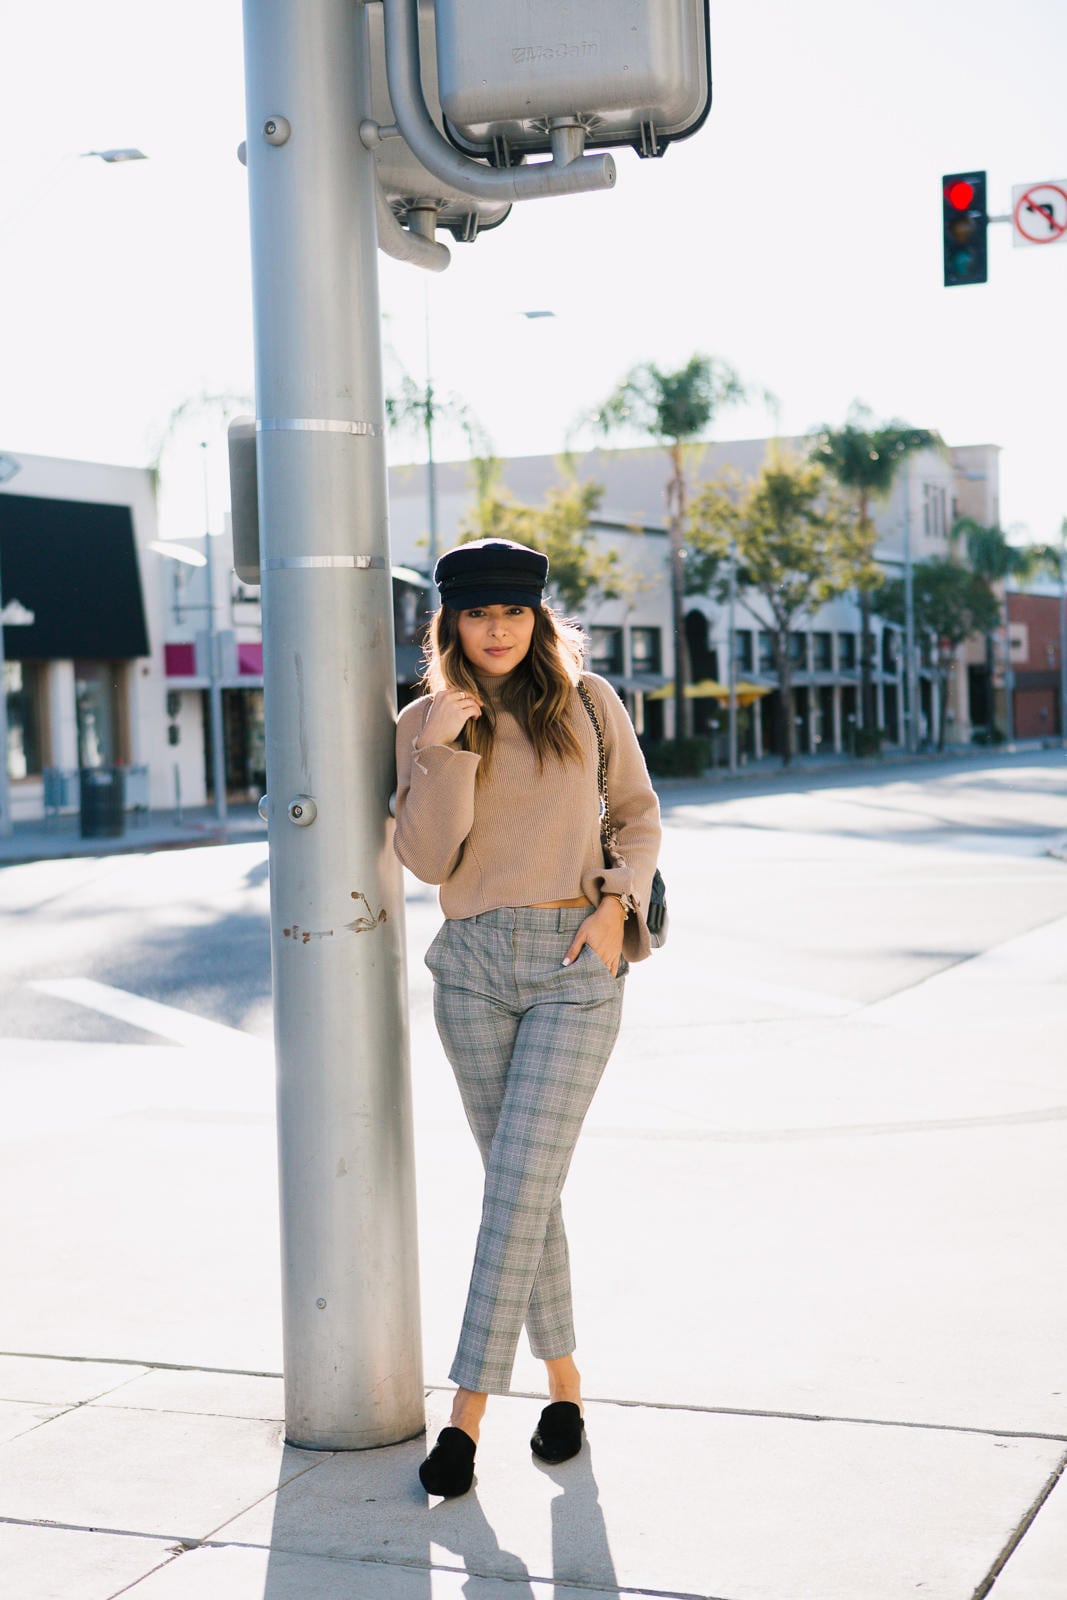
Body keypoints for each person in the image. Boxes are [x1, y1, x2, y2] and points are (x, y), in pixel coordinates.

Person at [393, 538, 661, 1498]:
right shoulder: (424, 720)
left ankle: (464, 1414)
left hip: (573, 961)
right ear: (450, 624)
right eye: (477, 614)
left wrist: (612, 906)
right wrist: (439, 750)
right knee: (524, 1189)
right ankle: (564, 1387)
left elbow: (635, 815)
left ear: (537, 618)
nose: (496, 629)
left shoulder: (588, 703)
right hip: (469, 969)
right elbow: (426, 861)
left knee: (514, 1187)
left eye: (512, 612)